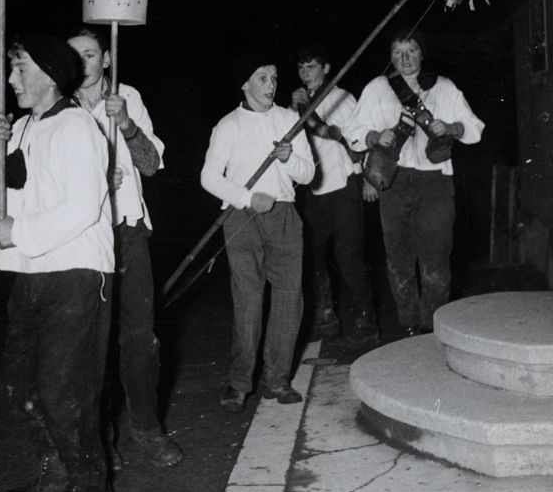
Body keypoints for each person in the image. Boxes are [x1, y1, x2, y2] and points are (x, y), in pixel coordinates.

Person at [0, 34, 114, 492]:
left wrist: (20, 232)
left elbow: (84, 205)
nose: (11, 80)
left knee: (62, 389)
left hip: (75, 271)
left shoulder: (77, 127)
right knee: (21, 386)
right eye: (11, 69)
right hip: (30, 272)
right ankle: (54, 474)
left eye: (21, 69)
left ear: (50, 75)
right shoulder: (23, 128)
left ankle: (90, 485)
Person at [68, 28, 183, 468]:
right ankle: (100, 438)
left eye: (90, 54)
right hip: (82, 235)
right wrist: (95, 181)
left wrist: (127, 125)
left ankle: (147, 429)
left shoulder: (127, 96)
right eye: (74, 55)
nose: (81, 63)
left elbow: (151, 166)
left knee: (139, 336)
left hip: (128, 230)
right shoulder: (59, 107)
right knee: (89, 341)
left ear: (107, 59)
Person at [345, 30, 484, 335]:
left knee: (436, 258)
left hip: (435, 182)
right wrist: (374, 136)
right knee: (398, 258)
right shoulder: (378, 87)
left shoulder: (443, 87)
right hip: (394, 180)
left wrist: (451, 127)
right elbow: (351, 131)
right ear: (390, 56)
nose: (405, 58)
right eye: (398, 52)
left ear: (422, 53)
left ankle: (432, 328)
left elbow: (475, 128)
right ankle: (409, 326)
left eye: (411, 50)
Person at [201, 50, 315, 413]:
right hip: (242, 217)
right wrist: (248, 198)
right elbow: (208, 177)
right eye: (262, 78)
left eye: (274, 78)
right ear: (245, 84)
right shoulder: (228, 125)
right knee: (248, 300)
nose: (270, 85)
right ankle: (239, 383)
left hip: (285, 216)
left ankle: (278, 380)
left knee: (288, 298)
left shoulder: (289, 119)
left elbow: (309, 174)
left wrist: (289, 158)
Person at [291, 44, 379, 347]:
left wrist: (368, 179)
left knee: (348, 256)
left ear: (326, 68)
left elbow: (357, 139)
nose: (305, 74)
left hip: (344, 186)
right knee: (311, 255)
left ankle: (366, 319)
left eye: (311, 67)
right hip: (313, 190)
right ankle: (325, 316)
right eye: (301, 68)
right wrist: (294, 108)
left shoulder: (341, 97)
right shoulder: (297, 103)